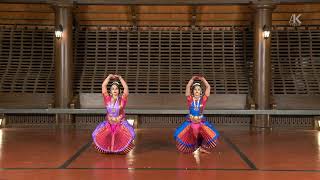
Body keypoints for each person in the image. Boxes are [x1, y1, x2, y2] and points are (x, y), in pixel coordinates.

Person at [174, 75, 220, 153]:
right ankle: (195, 148)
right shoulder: (190, 99)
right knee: (190, 134)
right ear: (193, 92)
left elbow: (208, 87)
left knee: (203, 133)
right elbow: (188, 87)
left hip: (200, 121)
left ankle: (200, 147)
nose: (197, 91)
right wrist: (192, 79)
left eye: (199, 90)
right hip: (191, 121)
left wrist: (203, 80)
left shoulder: (203, 100)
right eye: (195, 90)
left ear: (201, 92)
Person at [92, 74, 135, 154]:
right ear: (110, 91)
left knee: (121, 138)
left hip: (120, 124)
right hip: (109, 124)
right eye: (112, 89)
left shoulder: (122, 100)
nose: (114, 90)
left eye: (116, 89)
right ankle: (109, 149)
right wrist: (108, 77)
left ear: (119, 91)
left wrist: (120, 78)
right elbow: (103, 86)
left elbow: (126, 88)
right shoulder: (107, 99)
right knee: (103, 136)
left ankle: (118, 150)